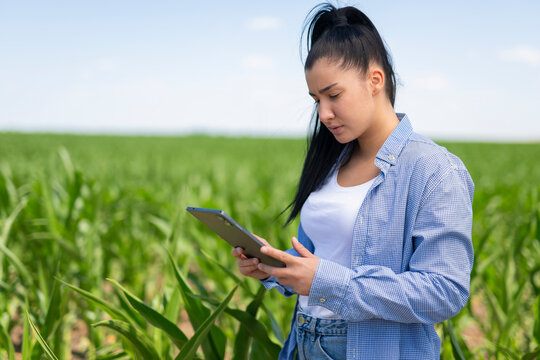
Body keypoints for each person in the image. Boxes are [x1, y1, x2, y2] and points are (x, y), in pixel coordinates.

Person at [231, 3, 474, 359]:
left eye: (334, 95)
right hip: (303, 343)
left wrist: (329, 282)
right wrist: (274, 267)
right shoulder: (331, 163)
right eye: (316, 100)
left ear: (375, 80)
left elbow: (445, 291)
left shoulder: (434, 170)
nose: (324, 114)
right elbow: (320, 260)